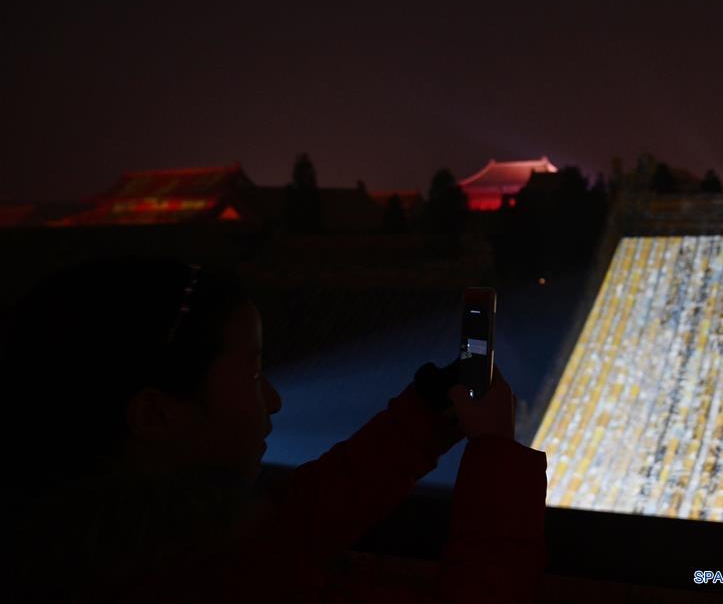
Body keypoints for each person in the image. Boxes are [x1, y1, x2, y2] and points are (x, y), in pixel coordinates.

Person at [5, 255, 547, 602]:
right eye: (254, 370)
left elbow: (291, 525)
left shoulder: (109, 547)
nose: (274, 398)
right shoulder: (213, 576)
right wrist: (497, 451)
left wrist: (424, 416)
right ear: (156, 414)